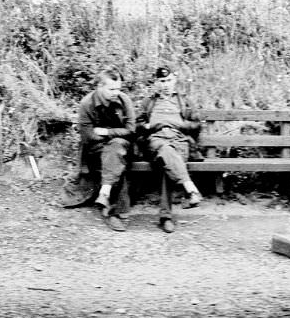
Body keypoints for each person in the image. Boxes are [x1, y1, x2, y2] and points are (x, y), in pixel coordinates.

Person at [136, 65, 203, 233]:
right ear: (156, 82)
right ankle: (190, 189)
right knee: (166, 152)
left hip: (179, 141)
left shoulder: (184, 101)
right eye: (162, 81)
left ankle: (166, 217)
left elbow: (196, 125)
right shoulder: (149, 102)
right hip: (156, 141)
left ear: (175, 80)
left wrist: (178, 124)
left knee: (167, 162)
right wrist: (151, 125)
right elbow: (137, 126)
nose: (165, 84)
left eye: (168, 80)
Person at [77, 66, 136, 232]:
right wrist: (113, 138)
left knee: (116, 151)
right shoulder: (87, 104)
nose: (116, 92)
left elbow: (131, 131)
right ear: (99, 86)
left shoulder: (124, 101)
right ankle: (118, 213)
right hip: (96, 150)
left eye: (118, 88)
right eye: (111, 89)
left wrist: (107, 132)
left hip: (124, 147)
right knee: (114, 155)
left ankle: (106, 196)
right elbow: (87, 136)